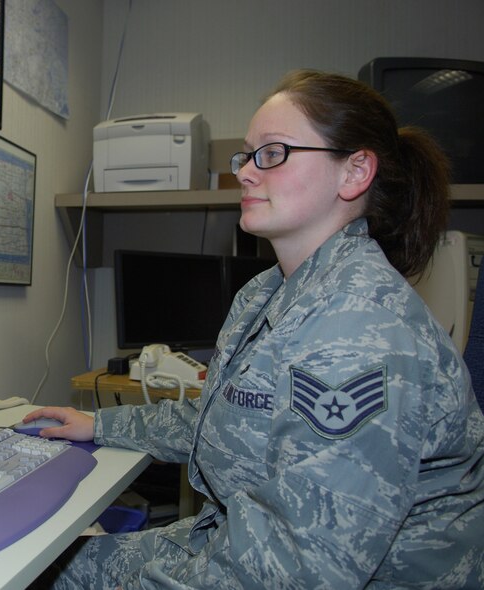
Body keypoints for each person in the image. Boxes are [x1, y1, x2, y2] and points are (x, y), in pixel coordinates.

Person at [24, 69, 484, 589]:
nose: (244, 172)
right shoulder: (266, 291)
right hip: (232, 540)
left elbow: (295, 570)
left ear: (354, 172)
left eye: (273, 153)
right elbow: (221, 418)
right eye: (246, 155)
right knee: (46, 563)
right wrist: (100, 427)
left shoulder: (359, 330)